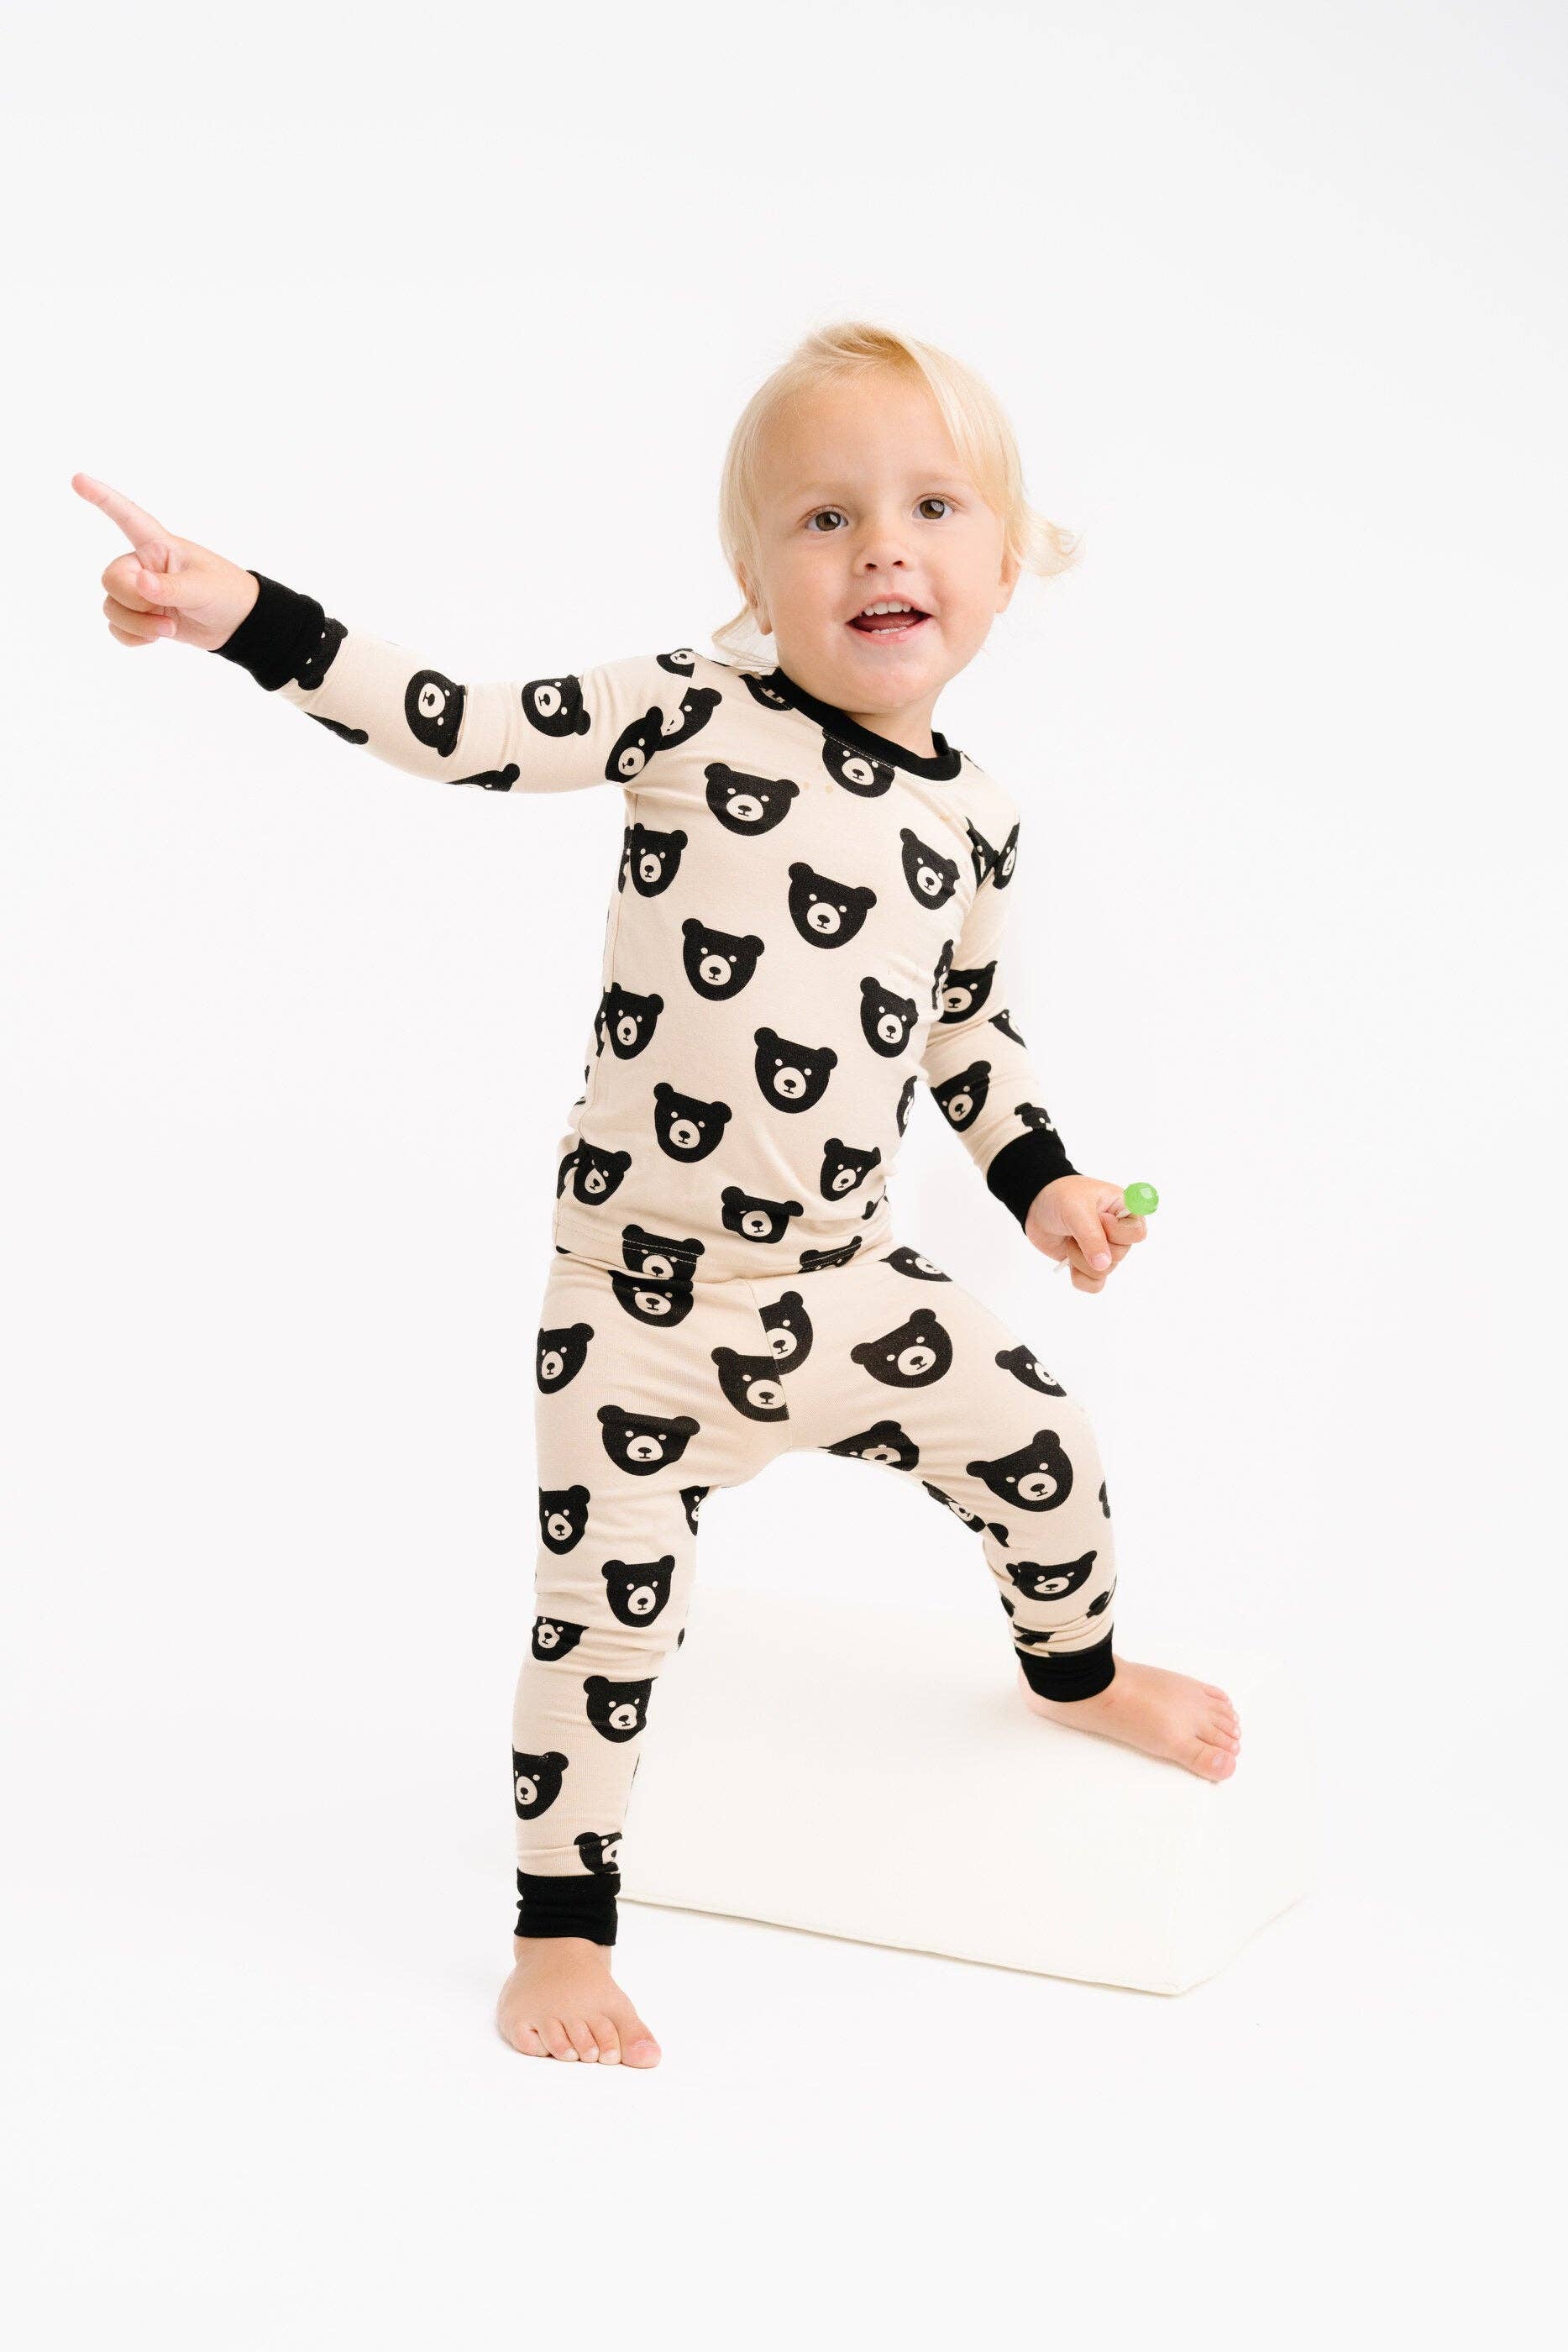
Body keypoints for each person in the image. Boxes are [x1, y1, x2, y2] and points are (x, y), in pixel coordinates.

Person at [72, 318, 1240, 2071]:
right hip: (634, 1311)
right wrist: (241, 611)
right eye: (824, 518)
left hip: (842, 1288)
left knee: (1048, 1448)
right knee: (597, 1630)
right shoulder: (691, 709)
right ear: (756, 577)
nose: (882, 548)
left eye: (931, 507)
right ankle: (559, 1934)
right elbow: (465, 730)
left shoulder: (980, 824)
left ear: (1008, 560)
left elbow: (965, 1035)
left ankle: (1072, 1673)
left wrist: (1045, 1180)